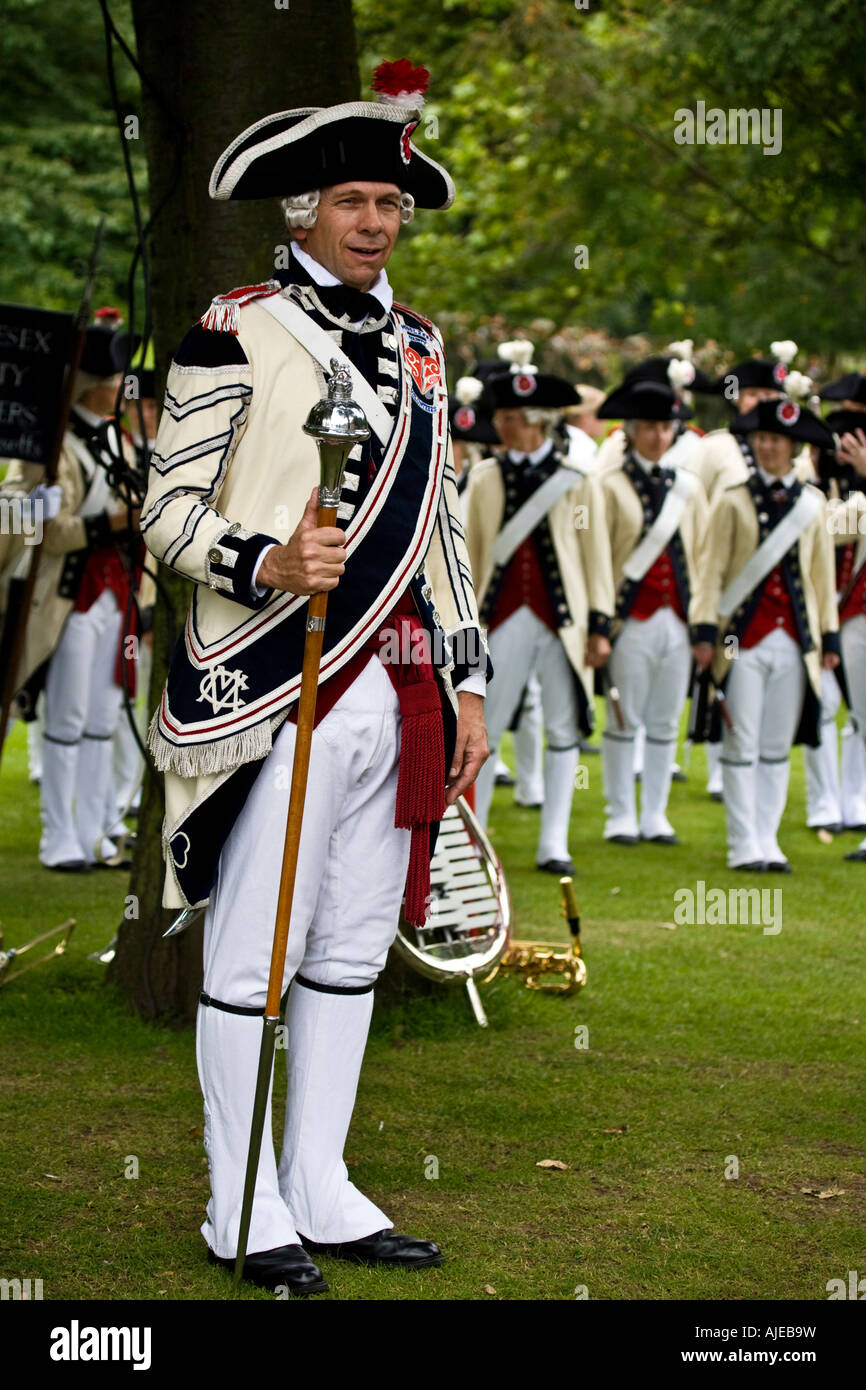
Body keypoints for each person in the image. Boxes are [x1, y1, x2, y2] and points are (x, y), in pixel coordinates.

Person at [141, 62, 489, 1297]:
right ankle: (238, 1206)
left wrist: (466, 681)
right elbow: (163, 515)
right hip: (271, 679)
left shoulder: (425, 349)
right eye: (350, 200)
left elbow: (439, 529)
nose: (373, 224)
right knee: (250, 957)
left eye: (387, 206)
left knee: (347, 948)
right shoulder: (234, 326)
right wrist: (269, 559)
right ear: (301, 213)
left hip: (393, 689)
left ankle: (322, 1183)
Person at [463, 339, 614, 874]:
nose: (501, 426)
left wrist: (600, 626)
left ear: (539, 421)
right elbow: (470, 559)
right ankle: (475, 840)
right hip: (495, 621)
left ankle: (555, 842)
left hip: (564, 624)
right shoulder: (482, 481)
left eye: (512, 418)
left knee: (563, 729)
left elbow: (596, 558)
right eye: (500, 416)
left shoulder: (577, 482)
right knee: (485, 729)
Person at [5, 319, 140, 870]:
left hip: (116, 592)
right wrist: (114, 521)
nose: (122, 384)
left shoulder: (120, 440)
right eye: (112, 376)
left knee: (102, 718)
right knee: (66, 718)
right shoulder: (51, 444)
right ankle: (60, 838)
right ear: (91, 384)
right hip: (68, 592)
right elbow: (48, 530)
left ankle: (96, 832)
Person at [690, 396, 838, 871]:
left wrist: (829, 638)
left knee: (776, 748)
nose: (769, 447)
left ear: (793, 448)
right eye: (763, 439)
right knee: (742, 741)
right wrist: (706, 630)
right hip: (741, 641)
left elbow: (822, 579)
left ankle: (768, 841)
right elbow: (710, 571)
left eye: (777, 440)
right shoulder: (733, 499)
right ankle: (742, 843)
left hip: (794, 641)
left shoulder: (812, 505)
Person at [594, 370, 707, 844]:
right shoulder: (607, 485)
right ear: (631, 431)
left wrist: (703, 627)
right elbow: (600, 559)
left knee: (665, 722)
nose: (659, 436)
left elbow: (701, 558)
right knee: (624, 718)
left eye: (666, 428)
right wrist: (600, 623)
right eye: (649, 427)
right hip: (629, 620)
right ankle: (620, 813)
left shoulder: (690, 487)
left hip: (677, 620)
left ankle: (655, 814)